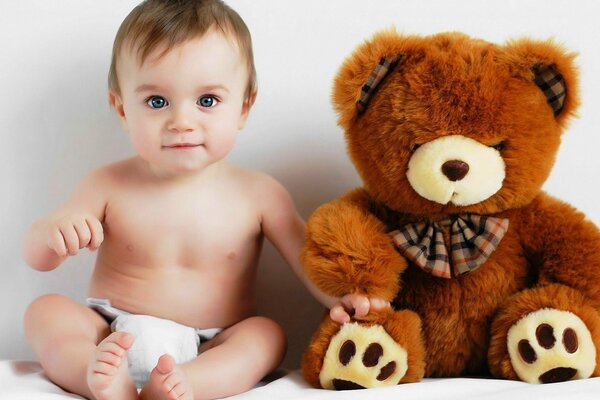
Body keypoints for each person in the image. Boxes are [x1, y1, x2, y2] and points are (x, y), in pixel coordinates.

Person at [21, 1, 356, 399]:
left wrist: (347, 298)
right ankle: (93, 375)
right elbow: (38, 258)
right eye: (157, 102)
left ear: (244, 106)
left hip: (211, 344)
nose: (182, 121)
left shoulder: (260, 194)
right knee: (45, 312)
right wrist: (53, 233)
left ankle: (190, 385)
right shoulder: (106, 183)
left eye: (208, 101)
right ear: (122, 108)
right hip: (110, 330)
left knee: (266, 335)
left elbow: (309, 261)